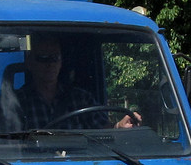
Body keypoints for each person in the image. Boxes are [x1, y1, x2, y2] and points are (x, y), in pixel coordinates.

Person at [13, 35, 142, 129]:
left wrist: (119, 126)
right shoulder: (18, 102)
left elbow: (105, 132)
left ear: (61, 62)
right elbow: (8, 148)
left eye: (55, 58)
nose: (50, 64)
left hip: (80, 164)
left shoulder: (81, 99)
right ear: (29, 63)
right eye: (43, 58)